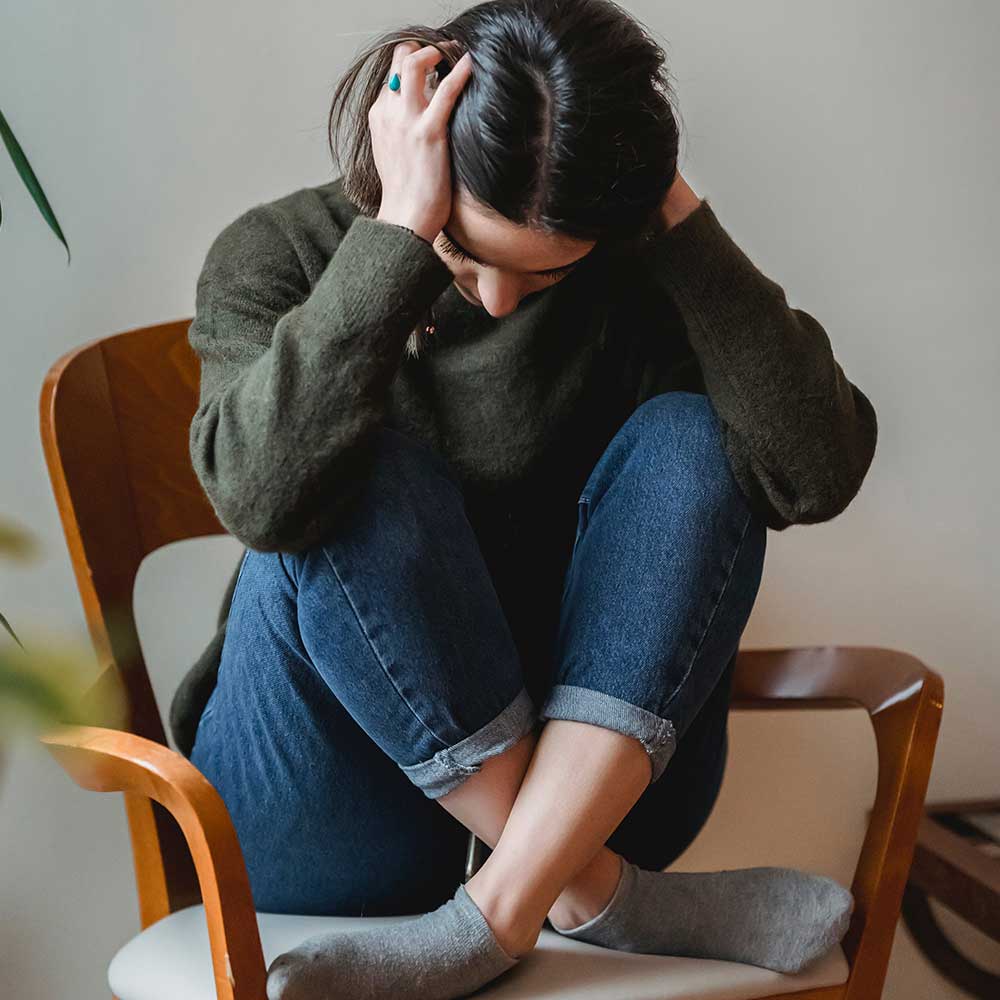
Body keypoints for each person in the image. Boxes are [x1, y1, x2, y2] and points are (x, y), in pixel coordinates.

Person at [177, 2, 878, 997]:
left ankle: (499, 906)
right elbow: (261, 498)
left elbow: (813, 470)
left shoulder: (634, 269)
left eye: (543, 273)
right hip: (324, 797)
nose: (498, 300)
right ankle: (597, 890)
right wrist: (394, 245)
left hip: (597, 773)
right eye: (464, 253)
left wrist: (674, 217)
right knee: (351, 467)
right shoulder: (276, 255)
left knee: (694, 442)